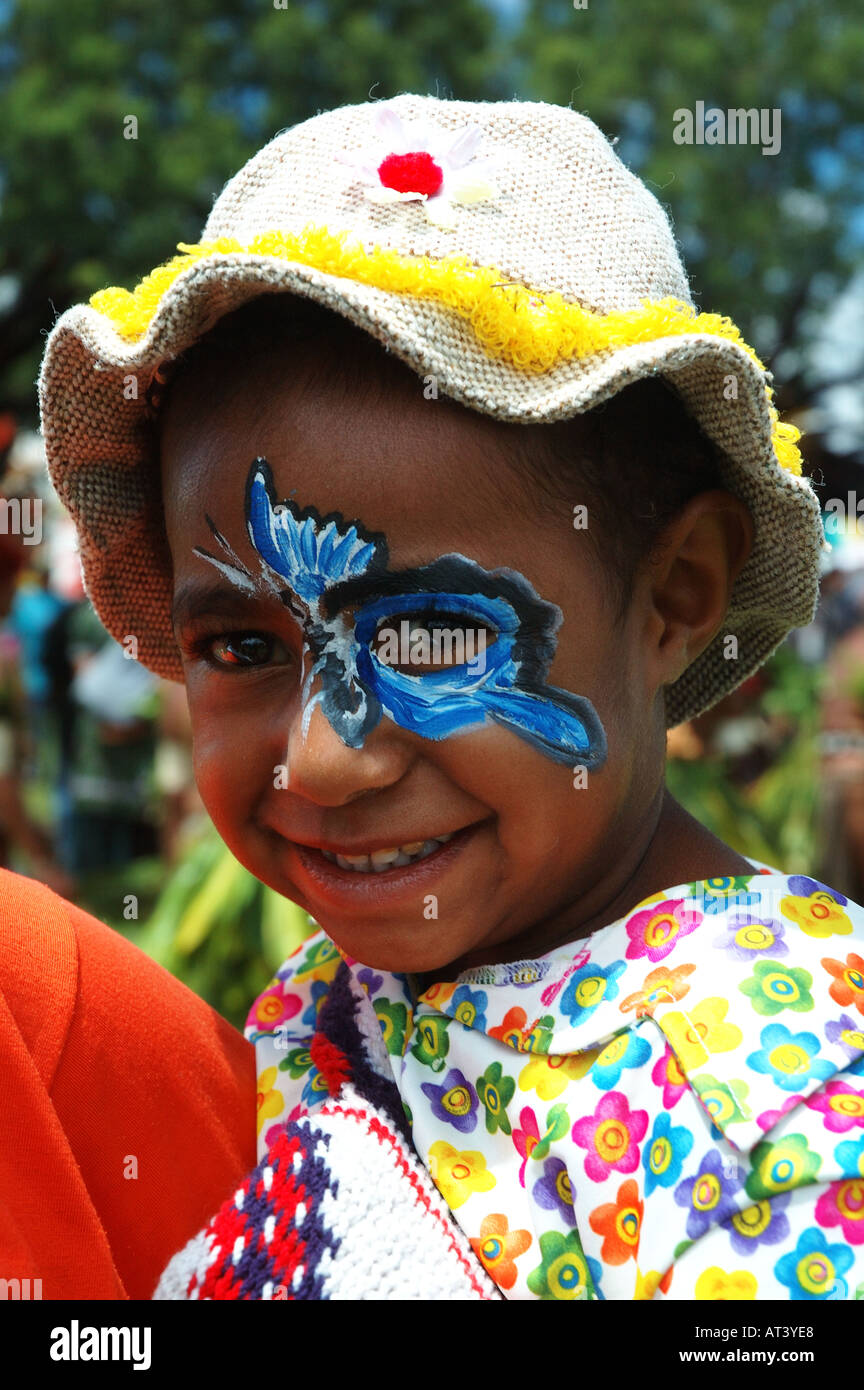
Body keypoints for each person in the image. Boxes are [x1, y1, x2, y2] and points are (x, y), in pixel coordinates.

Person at [38, 94, 864, 1300]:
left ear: (674, 594)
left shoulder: (774, 1112)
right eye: (239, 648)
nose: (322, 762)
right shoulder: (340, 1001)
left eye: (428, 634)